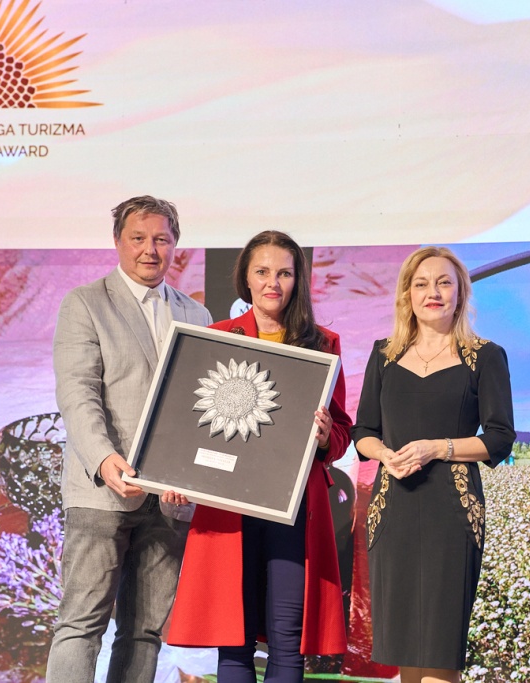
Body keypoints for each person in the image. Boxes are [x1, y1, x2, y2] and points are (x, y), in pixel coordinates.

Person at [167, 230, 352, 682]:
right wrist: (174, 473)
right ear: (245, 279)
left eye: (284, 273)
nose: (273, 282)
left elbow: (342, 432)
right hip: (227, 507)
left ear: (298, 279)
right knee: (233, 640)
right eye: (263, 272)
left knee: (288, 640)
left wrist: (325, 437)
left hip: (293, 507)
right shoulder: (216, 337)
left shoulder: (323, 344)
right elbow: (189, 424)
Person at [45, 195, 213, 683]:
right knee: (81, 624)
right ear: (117, 241)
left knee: (144, 633)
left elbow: (202, 407)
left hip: (170, 499)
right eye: (138, 238)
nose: (149, 250)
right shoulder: (85, 303)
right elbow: (77, 393)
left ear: (176, 245)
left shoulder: (198, 316)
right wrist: (104, 459)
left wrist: (193, 476)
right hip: (102, 491)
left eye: (161, 239)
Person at [352, 246, 515, 683]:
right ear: (408, 293)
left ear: (460, 293)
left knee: (440, 650)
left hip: (452, 511)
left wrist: (435, 448)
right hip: (394, 511)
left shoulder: (485, 356)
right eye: (422, 284)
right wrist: (385, 454)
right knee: (406, 648)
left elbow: (500, 438)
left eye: (444, 283)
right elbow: (363, 431)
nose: (433, 292)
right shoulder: (384, 355)